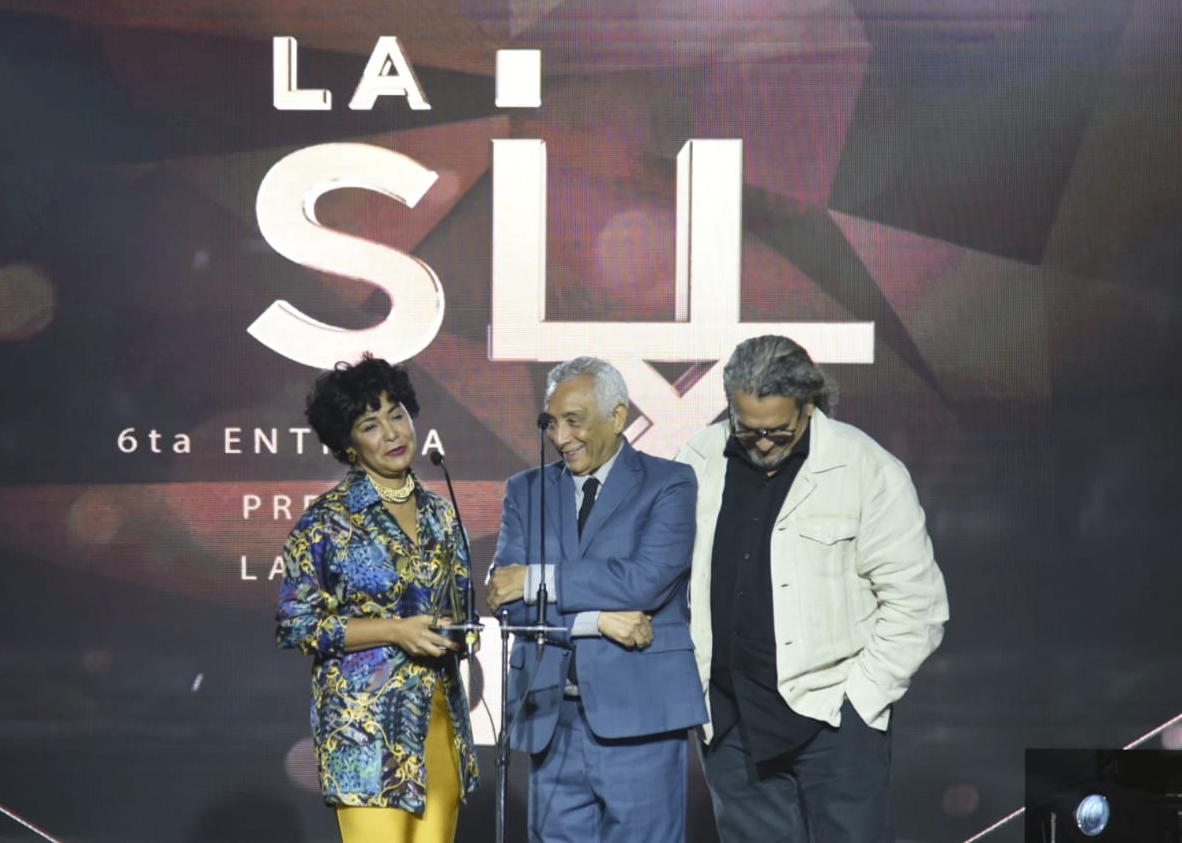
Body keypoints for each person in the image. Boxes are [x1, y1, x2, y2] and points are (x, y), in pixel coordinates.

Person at [676, 335, 949, 843]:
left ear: (808, 406)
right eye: (746, 429)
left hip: (833, 720)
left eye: (776, 433)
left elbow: (918, 606)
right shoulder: (699, 458)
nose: (759, 442)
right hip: (731, 719)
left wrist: (861, 702)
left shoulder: (866, 468)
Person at [486, 356, 708, 843]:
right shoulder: (525, 491)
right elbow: (507, 598)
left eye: (574, 421)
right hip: (550, 718)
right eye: (552, 422)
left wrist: (537, 579)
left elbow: (643, 582)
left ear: (618, 416)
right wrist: (596, 621)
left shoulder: (669, 483)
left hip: (641, 717)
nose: (560, 438)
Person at [275, 355, 480, 843]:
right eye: (371, 424)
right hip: (365, 737)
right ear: (348, 445)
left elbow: (456, 604)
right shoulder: (326, 522)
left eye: (397, 415)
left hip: (439, 726)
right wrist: (395, 630)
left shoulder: (441, 514)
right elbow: (296, 624)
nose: (392, 433)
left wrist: (455, 631)